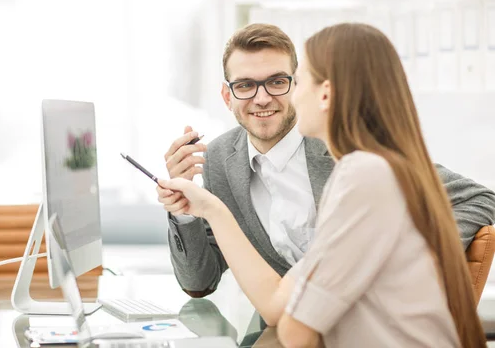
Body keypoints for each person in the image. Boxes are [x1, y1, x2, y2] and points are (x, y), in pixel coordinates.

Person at [158, 23, 486, 347]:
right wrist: (193, 209)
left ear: (323, 92)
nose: (263, 98)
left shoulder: (361, 171)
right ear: (227, 96)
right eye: (245, 85)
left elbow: (292, 323)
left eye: (285, 82)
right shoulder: (220, 159)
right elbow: (231, 292)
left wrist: (415, 260)